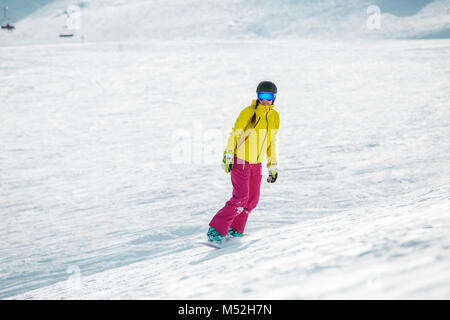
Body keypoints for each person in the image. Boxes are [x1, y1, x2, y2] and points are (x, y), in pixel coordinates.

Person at [206, 80, 280, 243]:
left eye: (268, 96)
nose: (264, 99)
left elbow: (271, 143)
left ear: (274, 97)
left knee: (252, 200)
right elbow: (235, 133)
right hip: (241, 161)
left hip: (256, 164)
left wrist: (272, 167)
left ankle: (235, 230)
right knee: (240, 197)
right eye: (261, 95)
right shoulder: (249, 112)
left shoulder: (275, 117)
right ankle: (215, 230)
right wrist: (228, 154)